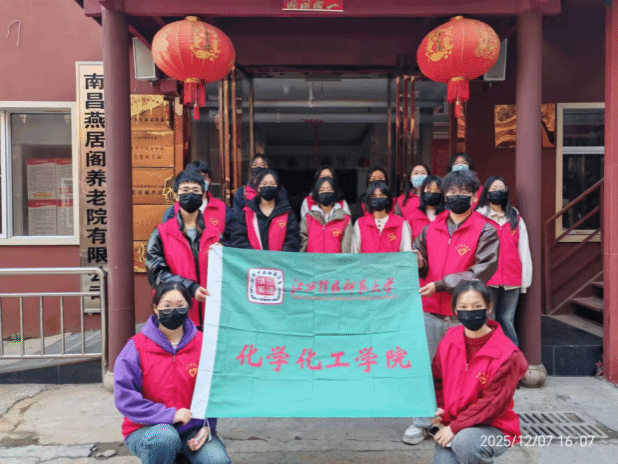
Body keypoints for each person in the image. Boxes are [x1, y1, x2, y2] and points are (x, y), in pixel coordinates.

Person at [403, 169, 499, 446]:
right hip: (429, 310)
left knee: (464, 372)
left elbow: (482, 269)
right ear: (444, 196)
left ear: (474, 196)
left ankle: (459, 423)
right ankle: (421, 422)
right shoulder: (430, 228)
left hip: (465, 314)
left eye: (463, 193)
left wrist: (442, 284)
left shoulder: (486, 229)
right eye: (452, 193)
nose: (457, 197)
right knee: (423, 368)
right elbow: (421, 263)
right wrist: (417, 262)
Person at [114, 281, 231, 464]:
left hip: (192, 428)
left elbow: (214, 390)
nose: (173, 311)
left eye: (180, 306)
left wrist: (208, 425)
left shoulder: (204, 344)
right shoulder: (135, 348)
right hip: (147, 429)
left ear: (189, 308)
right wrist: (169, 415)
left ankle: (179, 456)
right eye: (167, 306)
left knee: (217, 460)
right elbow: (125, 399)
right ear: (155, 308)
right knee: (165, 439)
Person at [430, 280, 528, 464]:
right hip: (454, 423)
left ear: (489, 308)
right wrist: (440, 407)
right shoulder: (449, 339)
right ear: (455, 311)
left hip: (494, 427)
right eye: (463, 307)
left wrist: (455, 428)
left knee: (466, 443)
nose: (470, 312)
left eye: (477, 307)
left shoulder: (507, 354)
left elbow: (493, 404)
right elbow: (437, 379)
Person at [146, 170, 219, 330]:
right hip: (175, 314)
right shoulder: (161, 233)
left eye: (196, 190)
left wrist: (223, 254)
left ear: (203, 195)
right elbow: (156, 274)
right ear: (177, 196)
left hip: (210, 315)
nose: (190, 194)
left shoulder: (215, 234)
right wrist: (190, 288)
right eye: (185, 190)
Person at [476, 176, 532, 346]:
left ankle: (511, 356)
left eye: (501, 189)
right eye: (493, 189)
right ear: (486, 192)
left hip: (512, 278)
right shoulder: (479, 218)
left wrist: (525, 281)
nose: (497, 192)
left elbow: (523, 250)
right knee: (490, 318)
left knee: (507, 319)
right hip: (488, 278)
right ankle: (491, 354)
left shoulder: (515, 218)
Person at [228, 169, 300, 251]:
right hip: (252, 259)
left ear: (278, 187)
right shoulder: (247, 213)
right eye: (264, 184)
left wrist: (280, 257)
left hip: (280, 259)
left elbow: (293, 239)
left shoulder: (287, 212)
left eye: (272, 184)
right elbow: (238, 238)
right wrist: (254, 256)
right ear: (257, 188)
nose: (268, 187)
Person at [162, 161, 228, 239]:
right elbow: (165, 238)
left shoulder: (222, 208)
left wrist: (221, 244)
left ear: (210, 180)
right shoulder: (172, 211)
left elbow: (234, 238)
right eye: (195, 176)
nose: (199, 180)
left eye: (203, 177)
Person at [351, 180, 412, 253]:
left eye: (382, 195)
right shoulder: (360, 224)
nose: (378, 198)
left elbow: (406, 251)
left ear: (388, 199)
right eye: (374, 196)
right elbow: (355, 252)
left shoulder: (400, 223)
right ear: (368, 200)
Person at [300, 176, 353, 253]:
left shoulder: (345, 219)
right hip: (312, 261)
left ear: (335, 192)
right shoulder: (308, 218)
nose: (325, 193)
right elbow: (303, 247)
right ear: (316, 193)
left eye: (329, 190)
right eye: (321, 190)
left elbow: (346, 250)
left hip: (335, 261)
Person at [406, 175, 445, 240]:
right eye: (428, 190)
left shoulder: (448, 216)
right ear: (422, 192)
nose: (432, 193)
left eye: (436, 191)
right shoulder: (412, 218)